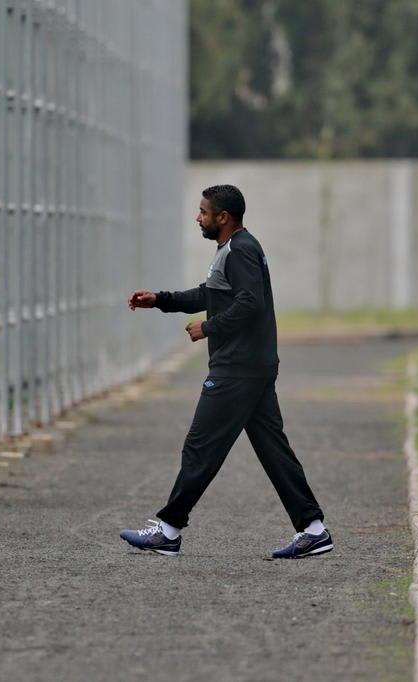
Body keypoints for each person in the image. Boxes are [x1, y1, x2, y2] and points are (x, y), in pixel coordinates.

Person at [121, 185, 331, 560]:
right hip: (251, 367)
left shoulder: (241, 250)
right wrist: (160, 300)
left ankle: (168, 529)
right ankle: (313, 529)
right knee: (273, 450)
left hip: (238, 369)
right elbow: (210, 295)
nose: (197, 218)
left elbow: (251, 303)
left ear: (223, 218)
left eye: (203, 212)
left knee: (200, 447)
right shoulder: (232, 250)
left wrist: (209, 328)